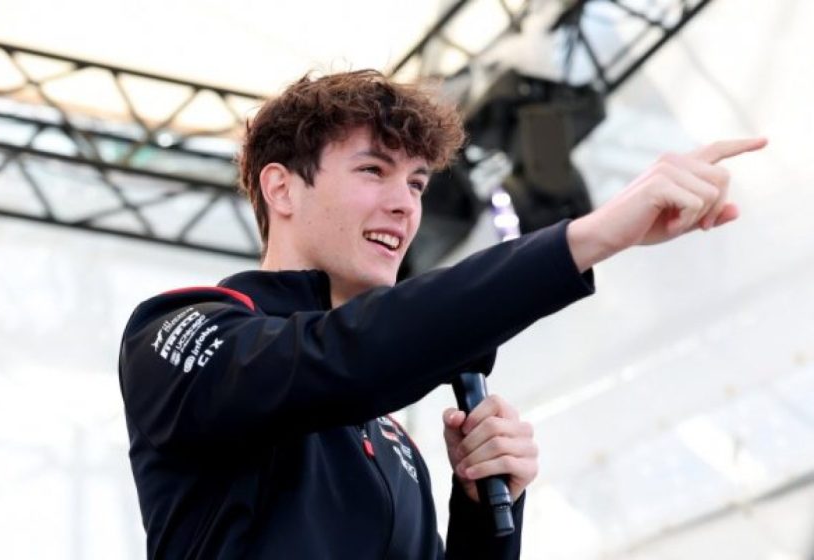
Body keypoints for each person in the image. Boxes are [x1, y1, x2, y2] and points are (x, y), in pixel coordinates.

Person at [118, 69, 766, 559]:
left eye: (417, 183)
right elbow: (342, 357)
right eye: (373, 170)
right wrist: (588, 238)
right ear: (281, 187)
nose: (405, 204)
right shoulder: (178, 333)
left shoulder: (392, 441)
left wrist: (485, 511)